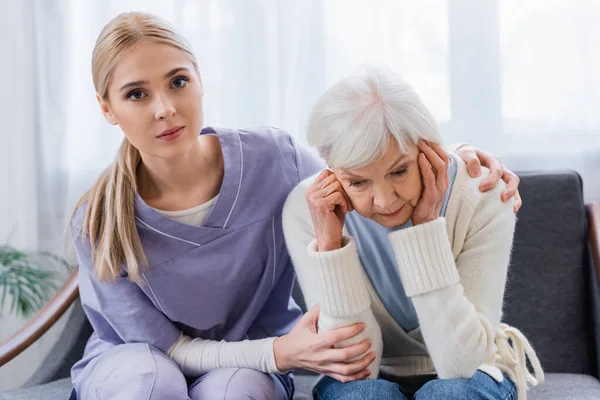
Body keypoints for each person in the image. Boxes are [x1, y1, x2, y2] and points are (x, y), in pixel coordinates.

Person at [68, 12, 523, 400]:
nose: (164, 108)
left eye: (178, 81)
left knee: (238, 390)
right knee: (150, 381)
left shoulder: (274, 161)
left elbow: (363, 155)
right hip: (147, 360)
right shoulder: (98, 220)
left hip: (248, 366)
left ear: (200, 79)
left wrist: (456, 158)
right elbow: (164, 349)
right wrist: (281, 352)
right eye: (136, 94)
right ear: (106, 108)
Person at [282, 66, 543, 400]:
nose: (384, 200)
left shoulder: (485, 194)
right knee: (364, 396)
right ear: (330, 166)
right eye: (358, 182)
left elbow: (460, 364)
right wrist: (331, 247)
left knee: (449, 395)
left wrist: (426, 229)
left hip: (473, 371)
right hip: (366, 377)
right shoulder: (310, 210)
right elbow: (357, 366)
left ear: (428, 148)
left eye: (400, 171)